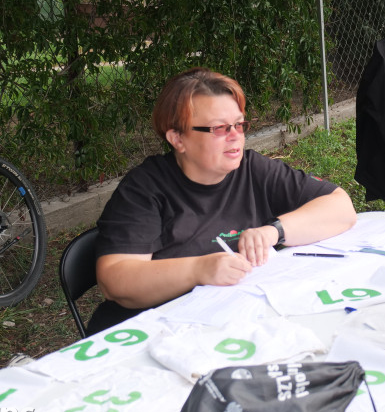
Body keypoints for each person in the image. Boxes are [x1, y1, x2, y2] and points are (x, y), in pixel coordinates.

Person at [90, 66, 357, 333]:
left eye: (239, 125)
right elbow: (116, 281)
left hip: (232, 324)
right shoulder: (145, 189)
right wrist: (199, 269)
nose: (235, 137)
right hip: (154, 336)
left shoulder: (251, 169)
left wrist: (273, 231)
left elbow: (341, 207)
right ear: (177, 138)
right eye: (219, 128)